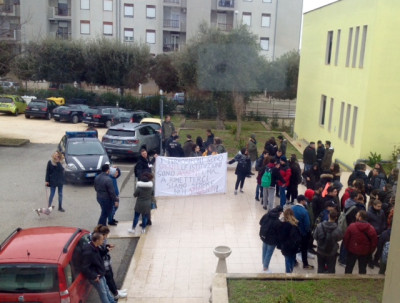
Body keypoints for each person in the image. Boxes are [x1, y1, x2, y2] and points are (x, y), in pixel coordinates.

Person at [93, 225, 127, 300]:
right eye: (106, 235)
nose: (106, 237)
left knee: (111, 276)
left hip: (106, 262)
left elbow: (103, 247)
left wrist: (107, 246)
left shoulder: (101, 239)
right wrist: (107, 250)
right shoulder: (98, 240)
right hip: (103, 264)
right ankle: (116, 294)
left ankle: (116, 291)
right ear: (103, 234)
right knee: (109, 279)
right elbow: (100, 252)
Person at [81, 232, 115, 303]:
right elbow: (85, 267)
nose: (103, 241)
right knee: (103, 293)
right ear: (97, 240)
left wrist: (107, 249)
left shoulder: (95, 247)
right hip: (97, 276)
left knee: (106, 289)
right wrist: (94, 276)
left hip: (100, 273)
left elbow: (101, 254)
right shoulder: (88, 252)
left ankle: (112, 301)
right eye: (102, 239)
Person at [344, 210, 378, 274]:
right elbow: (374, 242)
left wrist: (348, 248)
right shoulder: (371, 228)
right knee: (362, 268)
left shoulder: (352, 226)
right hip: (364, 252)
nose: (355, 216)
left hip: (352, 250)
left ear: (360, 217)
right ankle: (362, 280)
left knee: (349, 267)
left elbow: (346, 239)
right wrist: (370, 251)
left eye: (357, 215)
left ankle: (347, 279)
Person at [313, 209, 343, 273]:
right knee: (331, 268)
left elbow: (315, 237)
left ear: (328, 215)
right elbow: (340, 239)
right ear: (336, 218)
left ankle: (320, 279)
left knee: (320, 267)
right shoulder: (338, 229)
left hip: (321, 250)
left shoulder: (320, 226)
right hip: (332, 252)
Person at [292, 195, 314, 270]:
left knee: (294, 248)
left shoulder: (292, 208)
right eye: (305, 200)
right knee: (304, 249)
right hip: (303, 234)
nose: (305, 202)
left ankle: (294, 261)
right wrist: (307, 231)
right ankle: (305, 264)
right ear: (301, 201)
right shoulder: (304, 211)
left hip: (293, 233)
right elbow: (307, 224)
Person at [259, 205, 283, 273]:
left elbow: (260, 222)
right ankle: (265, 268)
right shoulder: (277, 222)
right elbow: (279, 232)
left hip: (264, 236)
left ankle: (264, 264)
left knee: (264, 250)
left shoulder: (267, 215)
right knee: (269, 253)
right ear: (279, 212)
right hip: (272, 240)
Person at [278, 208, 302, 273]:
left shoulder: (284, 224)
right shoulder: (296, 223)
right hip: (294, 245)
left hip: (286, 246)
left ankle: (288, 273)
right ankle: (291, 270)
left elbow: (281, 236)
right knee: (292, 258)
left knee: (287, 259)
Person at [367, 199, 386, 269]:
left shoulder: (381, 212)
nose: (380, 208)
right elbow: (367, 223)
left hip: (380, 233)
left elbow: (384, 220)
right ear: (374, 206)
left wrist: (383, 227)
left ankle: (375, 260)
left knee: (380, 248)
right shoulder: (369, 213)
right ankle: (370, 261)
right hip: (372, 234)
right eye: (378, 206)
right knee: (371, 248)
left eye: (380, 206)